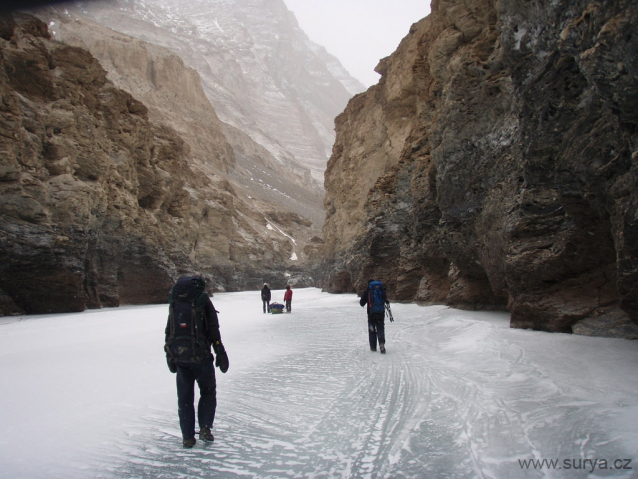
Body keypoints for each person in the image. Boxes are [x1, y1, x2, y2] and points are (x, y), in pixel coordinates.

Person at [164, 275, 229, 448]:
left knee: (184, 398)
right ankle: (205, 428)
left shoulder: (175, 302)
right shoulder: (202, 301)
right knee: (207, 392)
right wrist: (220, 351)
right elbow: (213, 329)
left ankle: (187, 437)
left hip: (180, 357)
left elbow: (169, 329)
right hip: (201, 357)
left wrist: (169, 355)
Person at [359, 279, 388, 354]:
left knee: (372, 330)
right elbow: (385, 299)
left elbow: (362, 303)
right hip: (381, 313)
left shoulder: (368, 291)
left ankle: (373, 347)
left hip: (371, 314)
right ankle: (381, 344)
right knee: (380, 328)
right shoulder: (381, 290)